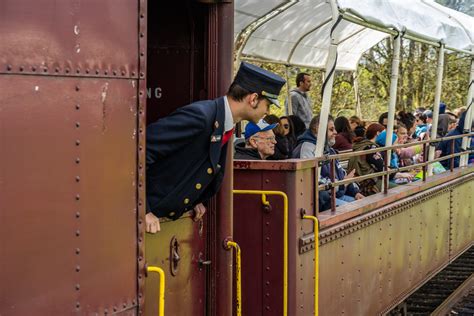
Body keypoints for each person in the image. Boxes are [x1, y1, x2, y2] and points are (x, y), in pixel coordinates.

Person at [146, 62, 285, 233]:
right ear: (253, 99)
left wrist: (193, 200)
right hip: (147, 216)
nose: (268, 112)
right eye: (268, 105)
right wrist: (144, 210)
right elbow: (139, 152)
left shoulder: (224, 122)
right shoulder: (201, 117)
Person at [292, 115, 364, 209]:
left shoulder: (328, 149)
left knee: (362, 204)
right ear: (318, 129)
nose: (335, 132)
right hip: (318, 201)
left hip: (332, 195)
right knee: (351, 209)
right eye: (331, 129)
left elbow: (341, 173)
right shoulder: (307, 149)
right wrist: (342, 184)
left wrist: (355, 192)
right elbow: (311, 179)